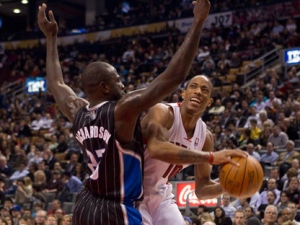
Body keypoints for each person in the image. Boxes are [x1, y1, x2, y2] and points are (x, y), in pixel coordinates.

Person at [37, 1, 224, 224]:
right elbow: (174, 77)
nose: (123, 85)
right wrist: (198, 22)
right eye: (117, 80)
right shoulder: (122, 111)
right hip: (117, 207)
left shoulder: (77, 112)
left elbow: (56, 83)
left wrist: (51, 39)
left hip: (86, 205)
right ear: (105, 88)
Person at [139, 75, 247, 224]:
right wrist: (209, 157)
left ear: (209, 102)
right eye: (193, 86)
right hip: (133, 191)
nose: (198, 92)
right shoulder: (163, 112)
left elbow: (202, 190)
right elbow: (156, 148)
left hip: (161, 194)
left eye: (204, 90)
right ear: (183, 94)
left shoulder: (205, 137)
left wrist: (227, 186)